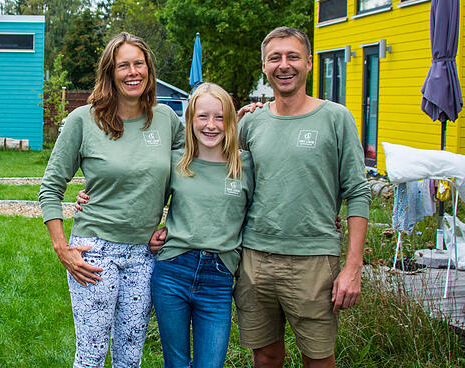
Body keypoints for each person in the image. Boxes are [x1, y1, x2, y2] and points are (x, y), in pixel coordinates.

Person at [38, 32, 184, 368]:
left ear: (149, 69)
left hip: (144, 256)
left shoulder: (166, 120)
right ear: (110, 72)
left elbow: (194, 174)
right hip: (95, 252)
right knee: (91, 356)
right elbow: (50, 187)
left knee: (130, 356)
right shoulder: (83, 120)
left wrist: (245, 119)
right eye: (123, 65)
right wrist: (62, 248)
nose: (133, 72)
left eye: (139, 64)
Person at [233, 27, 370, 368]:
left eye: (293, 56)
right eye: (274, 58)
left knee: (319, 358)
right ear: (264, 67)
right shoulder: (252, 123)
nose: (284, 65)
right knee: (265, 355)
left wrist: (353, 266)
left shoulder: (336, 118)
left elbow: (357, 190)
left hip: (313, 260)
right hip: (255, 258)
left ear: (309, 63)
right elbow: (226, 183)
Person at [149, 82, 253, 368]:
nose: (211, 125)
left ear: (231, 121)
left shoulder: (245, 166)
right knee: (177, 363)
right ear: (190, 120)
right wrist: (88, 196)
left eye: (219, 117)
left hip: (218, 277)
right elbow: (140, 197)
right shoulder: (175, 162)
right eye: (203, 117)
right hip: (173, 270)